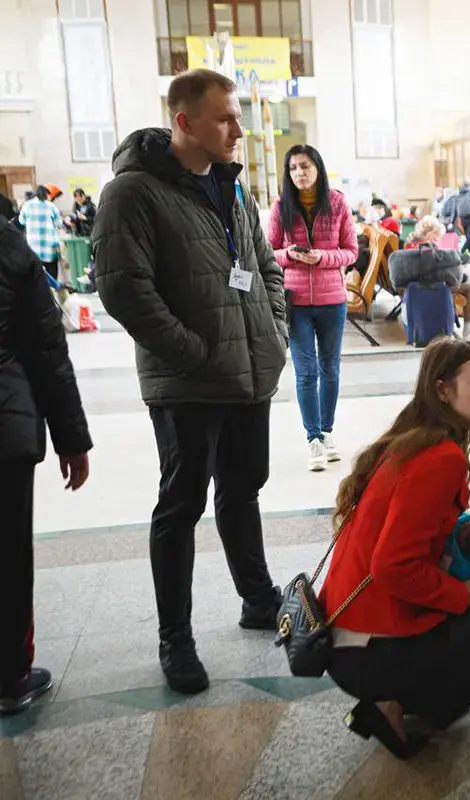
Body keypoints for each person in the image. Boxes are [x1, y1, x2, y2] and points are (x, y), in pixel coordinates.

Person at [92, 69, 288, 695]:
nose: (239, 129)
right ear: (184, 121)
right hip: (189, 381)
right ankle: (175, 638)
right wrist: (193, 351)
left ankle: (258, 599)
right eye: (227, 118)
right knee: (182, 505)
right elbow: (124, 288)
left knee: (243, 487)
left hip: (247, 372)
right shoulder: (134, 193)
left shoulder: (235, 190)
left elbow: (264, 269)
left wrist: (274, 332)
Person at [322, 338, 470, 759]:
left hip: (347, 637)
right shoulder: (441, 457)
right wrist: (467, 594)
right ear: (443, 390)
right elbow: (391, 566)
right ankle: (404, 700)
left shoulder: (413, 440)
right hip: (369, 650)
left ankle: (413, 697)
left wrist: (457, 537)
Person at [0, 221, 92, 716]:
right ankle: (10, 675)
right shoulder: (8, 245)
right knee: (8, 555)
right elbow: (45, 347)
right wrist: (72, 440)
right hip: (6, 426)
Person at [267, 144, 358, 472]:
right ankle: (313, 438)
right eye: (292, 168)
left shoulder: (337, 203)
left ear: (318, 168)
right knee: (306, 372)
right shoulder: (281, 205)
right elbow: (269, 252)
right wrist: (290, 254)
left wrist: (323, 257)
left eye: (304, 166)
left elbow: (350, 251)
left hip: (332, 299)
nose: (299, 173)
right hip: (296, 303)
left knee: (330, 369)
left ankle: (328, 430)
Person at [390, 216, 470, 341]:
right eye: (436, 236)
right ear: (429, 234)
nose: (437, 239)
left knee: (466, 280)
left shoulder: (410, 245)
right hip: (430, 286)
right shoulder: (426, 249)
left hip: (418, 283)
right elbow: (433, 268)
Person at [17, 186, 62, 283]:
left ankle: (39, 290)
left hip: (33, 244)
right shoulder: (51, 206)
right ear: (46, 194)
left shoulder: (27, 205)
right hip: (49, 244)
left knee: (36, 271)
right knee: (51, 269)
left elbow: (21, 221)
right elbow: (59, 223)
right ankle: (52, 290)